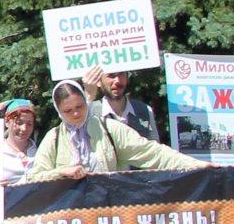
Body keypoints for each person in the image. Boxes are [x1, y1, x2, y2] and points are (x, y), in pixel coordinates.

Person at [27, 69, 203, 180]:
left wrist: (197, 166)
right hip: (70, 223)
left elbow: (153, 153)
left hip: (108, 217)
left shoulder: (109, 129)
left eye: (80, 106)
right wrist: (61, 172)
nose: (75, 113)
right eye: (67, 110)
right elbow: (34, 178)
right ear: (59, 111)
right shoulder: (55, 138)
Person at [90, 68, 161, 142]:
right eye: (111, 75)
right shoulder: (90, 112)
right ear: (98, 82)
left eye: (121, 74)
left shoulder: (145, 110)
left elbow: (156, 149)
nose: (118, 81)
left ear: (127, 79)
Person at [0, 98, 38, 184]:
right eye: (19, 123)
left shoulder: (39, 151)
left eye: (29, 124)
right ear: (7, 122)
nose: (24, 129)